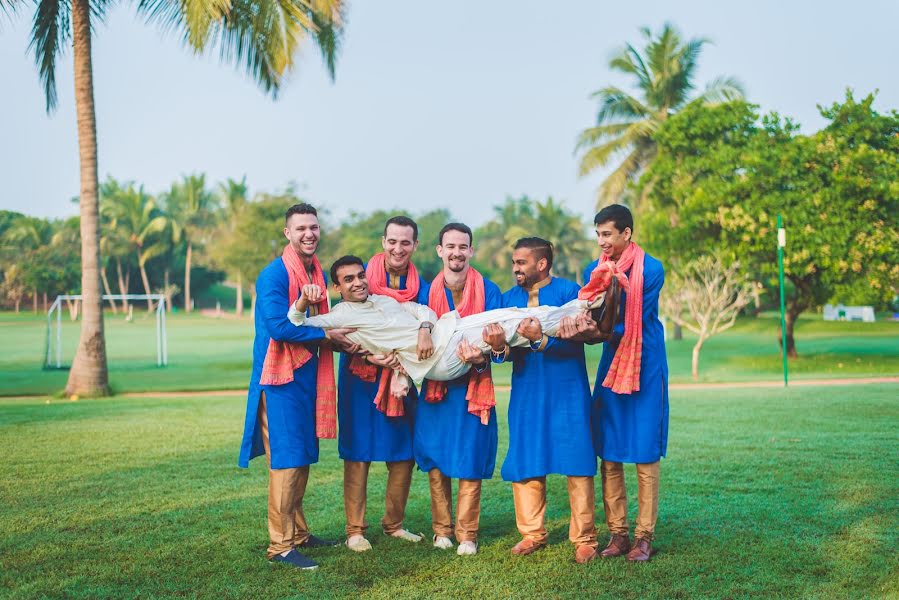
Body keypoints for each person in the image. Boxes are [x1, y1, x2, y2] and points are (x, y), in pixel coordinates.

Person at [237, 203, 356, 570]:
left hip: (308, 380)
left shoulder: (317, 274)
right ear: (288, 233)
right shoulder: (274, 275)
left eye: (314, 227)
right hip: (280, 381)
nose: (309, 234)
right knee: (287, 462)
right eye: (301, 228)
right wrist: (325, 336)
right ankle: (280, 546)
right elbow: (278, 327)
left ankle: (300, 534)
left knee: (302, 458)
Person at [288, 255, 592, 384]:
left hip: (444, 336)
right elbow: (296, 323)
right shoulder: (339, 317)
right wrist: (304, 298)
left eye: (361, 275)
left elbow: (424, 311)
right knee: (510, 321)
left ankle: (582, 311)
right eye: (348, 280)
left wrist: (423, 328)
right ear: (337, 287)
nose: (358, 282)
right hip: (438, 358)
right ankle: (585, 309)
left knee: (512, 320)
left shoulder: (382, 298)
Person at [562, 204, 669, 562]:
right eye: (598, 234)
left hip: (644, 362)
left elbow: (625, 318)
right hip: (612, 362)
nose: (602, 241)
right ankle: (618, 534)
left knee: (644, 451)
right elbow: (590, 310)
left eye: (607, 234)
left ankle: (644, 536)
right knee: (608, 448)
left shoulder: (651, 270)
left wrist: (599, 329)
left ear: (627, 233)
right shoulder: (597, 270)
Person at [490, 237, 599, 564]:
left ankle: (584, 537)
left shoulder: (569, 293)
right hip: (527, 392)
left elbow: (582, 337)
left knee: (577, 458)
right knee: (526, 458)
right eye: (514, 263)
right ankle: (532, 533)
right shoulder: (509, 300)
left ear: (541, 264)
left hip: (567, 388)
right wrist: (497, 348)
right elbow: (502, 354)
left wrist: (542, 339)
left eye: (521, 263)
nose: (515, 269)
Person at [337, 216, 429, 552]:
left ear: (414, 245)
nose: (398, 248)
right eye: (393, 241)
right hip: (360, 376)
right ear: (383, 242)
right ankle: (355, 531)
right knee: (358, 452)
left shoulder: (422, 286)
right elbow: (341, 324)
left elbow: (427, 319)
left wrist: (420, 333)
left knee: (403, 451)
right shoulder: (363, 279)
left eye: (405, 242)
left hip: (401, 377)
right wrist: (370, 355)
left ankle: (394, 525)